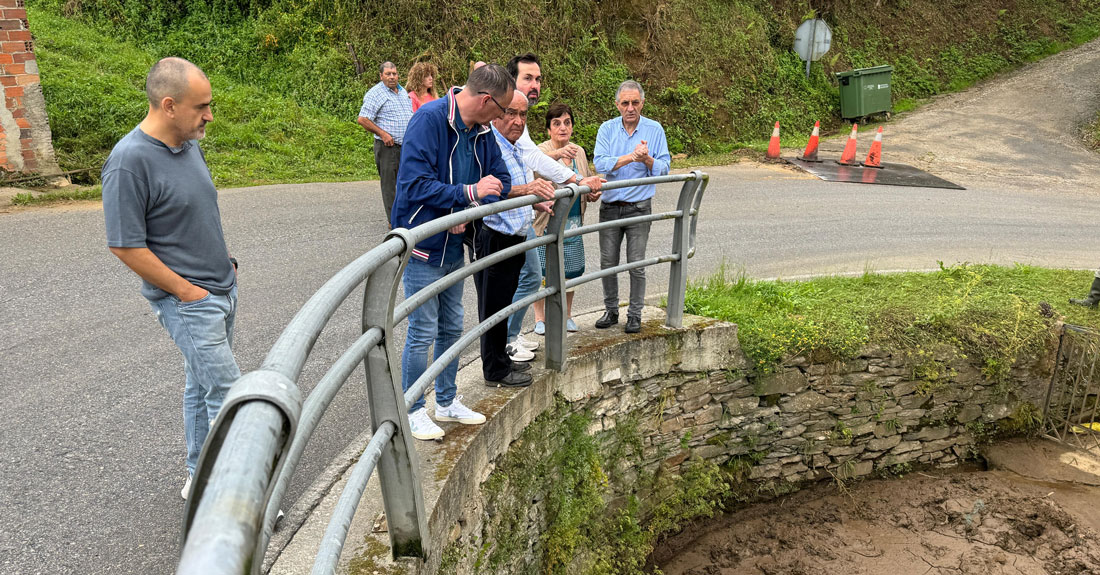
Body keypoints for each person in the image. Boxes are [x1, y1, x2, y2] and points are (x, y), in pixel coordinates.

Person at [102, 57, 237, 500]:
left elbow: (195, 211)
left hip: (220, 288)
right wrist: (185, 291)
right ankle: (233, 499)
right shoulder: (128, 162)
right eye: (201, 106)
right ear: (168, 105)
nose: (209, 116)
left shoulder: (188, 143)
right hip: (189, 302)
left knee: (201, 387)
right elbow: (125, 245)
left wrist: (226, 263)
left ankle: (201, 476)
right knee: (231, 397)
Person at [391, 64, 515, 440]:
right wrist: (466, 195)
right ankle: (411, 408)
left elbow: (502, 179)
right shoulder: (428, 120)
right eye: (501, 110)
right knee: (422, 329)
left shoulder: (481, 131)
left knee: (451, 326)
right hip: (424, 245)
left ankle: (445, 401)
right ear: (485, 100)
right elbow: (414, 185)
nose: (502, 118)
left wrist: (463, 204)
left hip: (453, 245)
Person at [502, 53, 602, 355]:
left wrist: (578, 182)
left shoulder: (522, 123)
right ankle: (504, 344)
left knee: (534, 275)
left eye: (538, 79)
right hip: (502, 221)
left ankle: (510, 337)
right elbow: (517, 170)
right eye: (528, 78)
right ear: (511, 82)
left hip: (526, 220)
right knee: (511, 282)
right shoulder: (499, 119)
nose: (535, 85)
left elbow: (530, 159)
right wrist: (569, 178)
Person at [478, 90, 557, 386]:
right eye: (511, 113)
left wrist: (533, 201)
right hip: (495, 234)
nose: (517, 120)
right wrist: (527, 191)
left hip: (514, 234)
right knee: (493, 307)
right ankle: (495, 371)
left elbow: (515, 188)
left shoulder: (515, 147)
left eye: (523, 115)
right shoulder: (489, 144)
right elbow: (492, 187)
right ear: (497, 113)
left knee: (505, 301)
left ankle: (502, 360)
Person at [593, 80, 671, 334]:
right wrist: (631, 157)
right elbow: (600, 164)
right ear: (617, 105)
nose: (630, 108)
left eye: (635, 102)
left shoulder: (654, 129)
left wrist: (647, 158)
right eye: (625, 103)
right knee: (608, 263)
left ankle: (635, 314)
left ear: (642, 103)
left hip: (639, 207)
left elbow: (664, 167)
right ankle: (611, 310)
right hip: (610, 206)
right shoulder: (606, 129)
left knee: (636, 264)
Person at [531, 102, 598, 334]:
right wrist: (558, 153)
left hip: (574, 222)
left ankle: (567, 314)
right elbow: (534, 168)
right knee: (541, 272)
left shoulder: (579, 151)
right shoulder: (540, 150)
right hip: (545, 222)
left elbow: (586, 179)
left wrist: (593, 192)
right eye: (556, 123)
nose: (562, 128)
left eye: (567, 123)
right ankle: (540, 318)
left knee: (571, 271)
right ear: (548, 129)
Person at [357, 61, 414, 222]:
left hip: (405, 146)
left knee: (406, 181)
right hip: (388, 147)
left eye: (394, 73)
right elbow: (363, 119)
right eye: (388, 74)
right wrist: (383, 134)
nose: (392, 77)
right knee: (390, 185)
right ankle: (394, 220)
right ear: (381, 76)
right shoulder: (376, 93)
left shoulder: (402, 92)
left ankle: (406, 215)